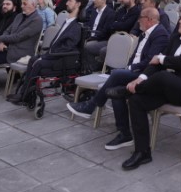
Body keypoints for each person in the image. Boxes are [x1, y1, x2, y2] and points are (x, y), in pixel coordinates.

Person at [118, 8, 181, 170]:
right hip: (173, 87)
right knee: (136, 101)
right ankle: (142, 152)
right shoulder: (176, 37)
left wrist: (162, 59)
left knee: (164, 77)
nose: (180, 21)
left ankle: (126, 91)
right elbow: (155, 61)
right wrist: (140, 78)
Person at [65, 8, 169, 146]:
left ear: (150, 19)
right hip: (136, 71)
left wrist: (129, 68)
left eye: (141, 17)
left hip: (147, 76)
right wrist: (129, 67)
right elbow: (135, 56)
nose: (138, 20)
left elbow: (150, 61)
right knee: (114, 91)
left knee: (117, 74)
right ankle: (125, 134)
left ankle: (91, 106)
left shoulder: (160, 34)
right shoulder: (145, 33)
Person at [7, 0, 89, 103]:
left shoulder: (76, 26)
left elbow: (67, 48)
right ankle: (23, 93)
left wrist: (47, 56)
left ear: (78, 4)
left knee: (38, 63)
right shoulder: (68, 22)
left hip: (61, 59)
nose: (66, 3)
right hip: (54, 55)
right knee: (33, 60)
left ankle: (24, 96)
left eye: (70, 1)